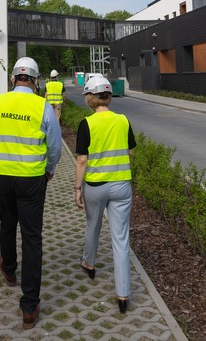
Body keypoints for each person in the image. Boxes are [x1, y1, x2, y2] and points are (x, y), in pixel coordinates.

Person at [0, 56, 62, 329]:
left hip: (1, 178)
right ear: (36, 81)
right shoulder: (42, 106)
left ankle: (8, 269)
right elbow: (55, 147)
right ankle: (29, 305)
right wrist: (50, 169)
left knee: (7, 223)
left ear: (13, 79)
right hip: (31, 180)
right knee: (32, 237)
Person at [74, 76, 136, 314]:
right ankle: (123, 294)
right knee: (121, 239)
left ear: (90, 98)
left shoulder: (86, 124)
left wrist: (78, 188)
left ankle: (89, 263)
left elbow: (81, 160)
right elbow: (129, 151)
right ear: (108, 97)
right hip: (121, 185)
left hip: (96, 186)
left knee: (93, 225)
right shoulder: (123, 120)